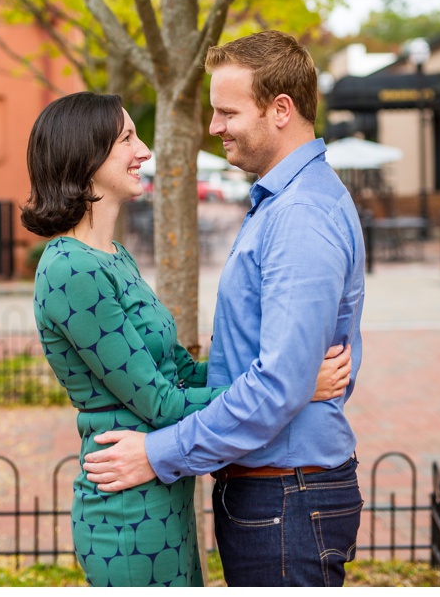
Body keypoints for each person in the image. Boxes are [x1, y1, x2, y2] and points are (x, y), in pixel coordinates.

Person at [24, 91, 350, 587]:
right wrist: (294, 386)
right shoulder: (71, 268)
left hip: (165, 499)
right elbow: (161, 402)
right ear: (86, 155)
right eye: (127, 139)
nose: (144, 151)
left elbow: (183, 372)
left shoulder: (112, 255)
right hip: (127, 515)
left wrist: (280, 367)